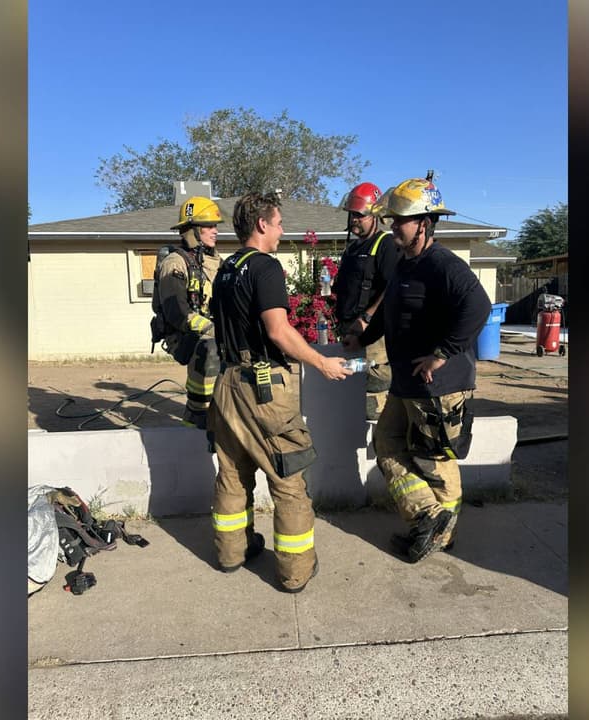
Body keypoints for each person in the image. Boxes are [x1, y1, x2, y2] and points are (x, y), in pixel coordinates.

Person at [207, 191, 352, 592]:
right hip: (263, 387)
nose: (283, 229)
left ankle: (231, 553)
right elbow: (278, 330)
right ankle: (295, 572)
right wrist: (322, 363)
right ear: (262, 225)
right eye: (280, 222)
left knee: (233, 474)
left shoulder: (226, 268)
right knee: (288, 478)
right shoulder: (265, 267)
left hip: (227, 384)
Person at [352, 177, 492, 563]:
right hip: (406, 384)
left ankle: (441, 535)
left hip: (438, 386)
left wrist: (442, 353)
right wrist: (361, 337)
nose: (393, 226)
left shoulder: (442, 264)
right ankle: (428, 517)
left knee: (436, 461)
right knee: (386, 444)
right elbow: (391, 313)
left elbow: (478, 307)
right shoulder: (404, 263)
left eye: (401, 221)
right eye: (393, 220)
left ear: (425, 224)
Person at [151, 196, 223, 429]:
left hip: (210, 330)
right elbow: (176, 311)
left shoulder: (214, 261)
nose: (215, 231)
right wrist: (212, 329)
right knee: (210, 349)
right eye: (209, 226)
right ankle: (197, 414)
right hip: (183, 334)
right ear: (192, 230)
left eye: (215, 226)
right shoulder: (175, 263)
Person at [332, 182, 400, 420]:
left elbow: (391, 287)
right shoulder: (352, 249)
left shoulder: (386, 245)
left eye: (359, 215)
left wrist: (367, 316)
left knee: (373, 387)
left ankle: (376, 441)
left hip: (372, 336)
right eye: (352, 215)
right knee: (352, 386)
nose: (354, 220)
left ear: (375, 215)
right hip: (350, 330)